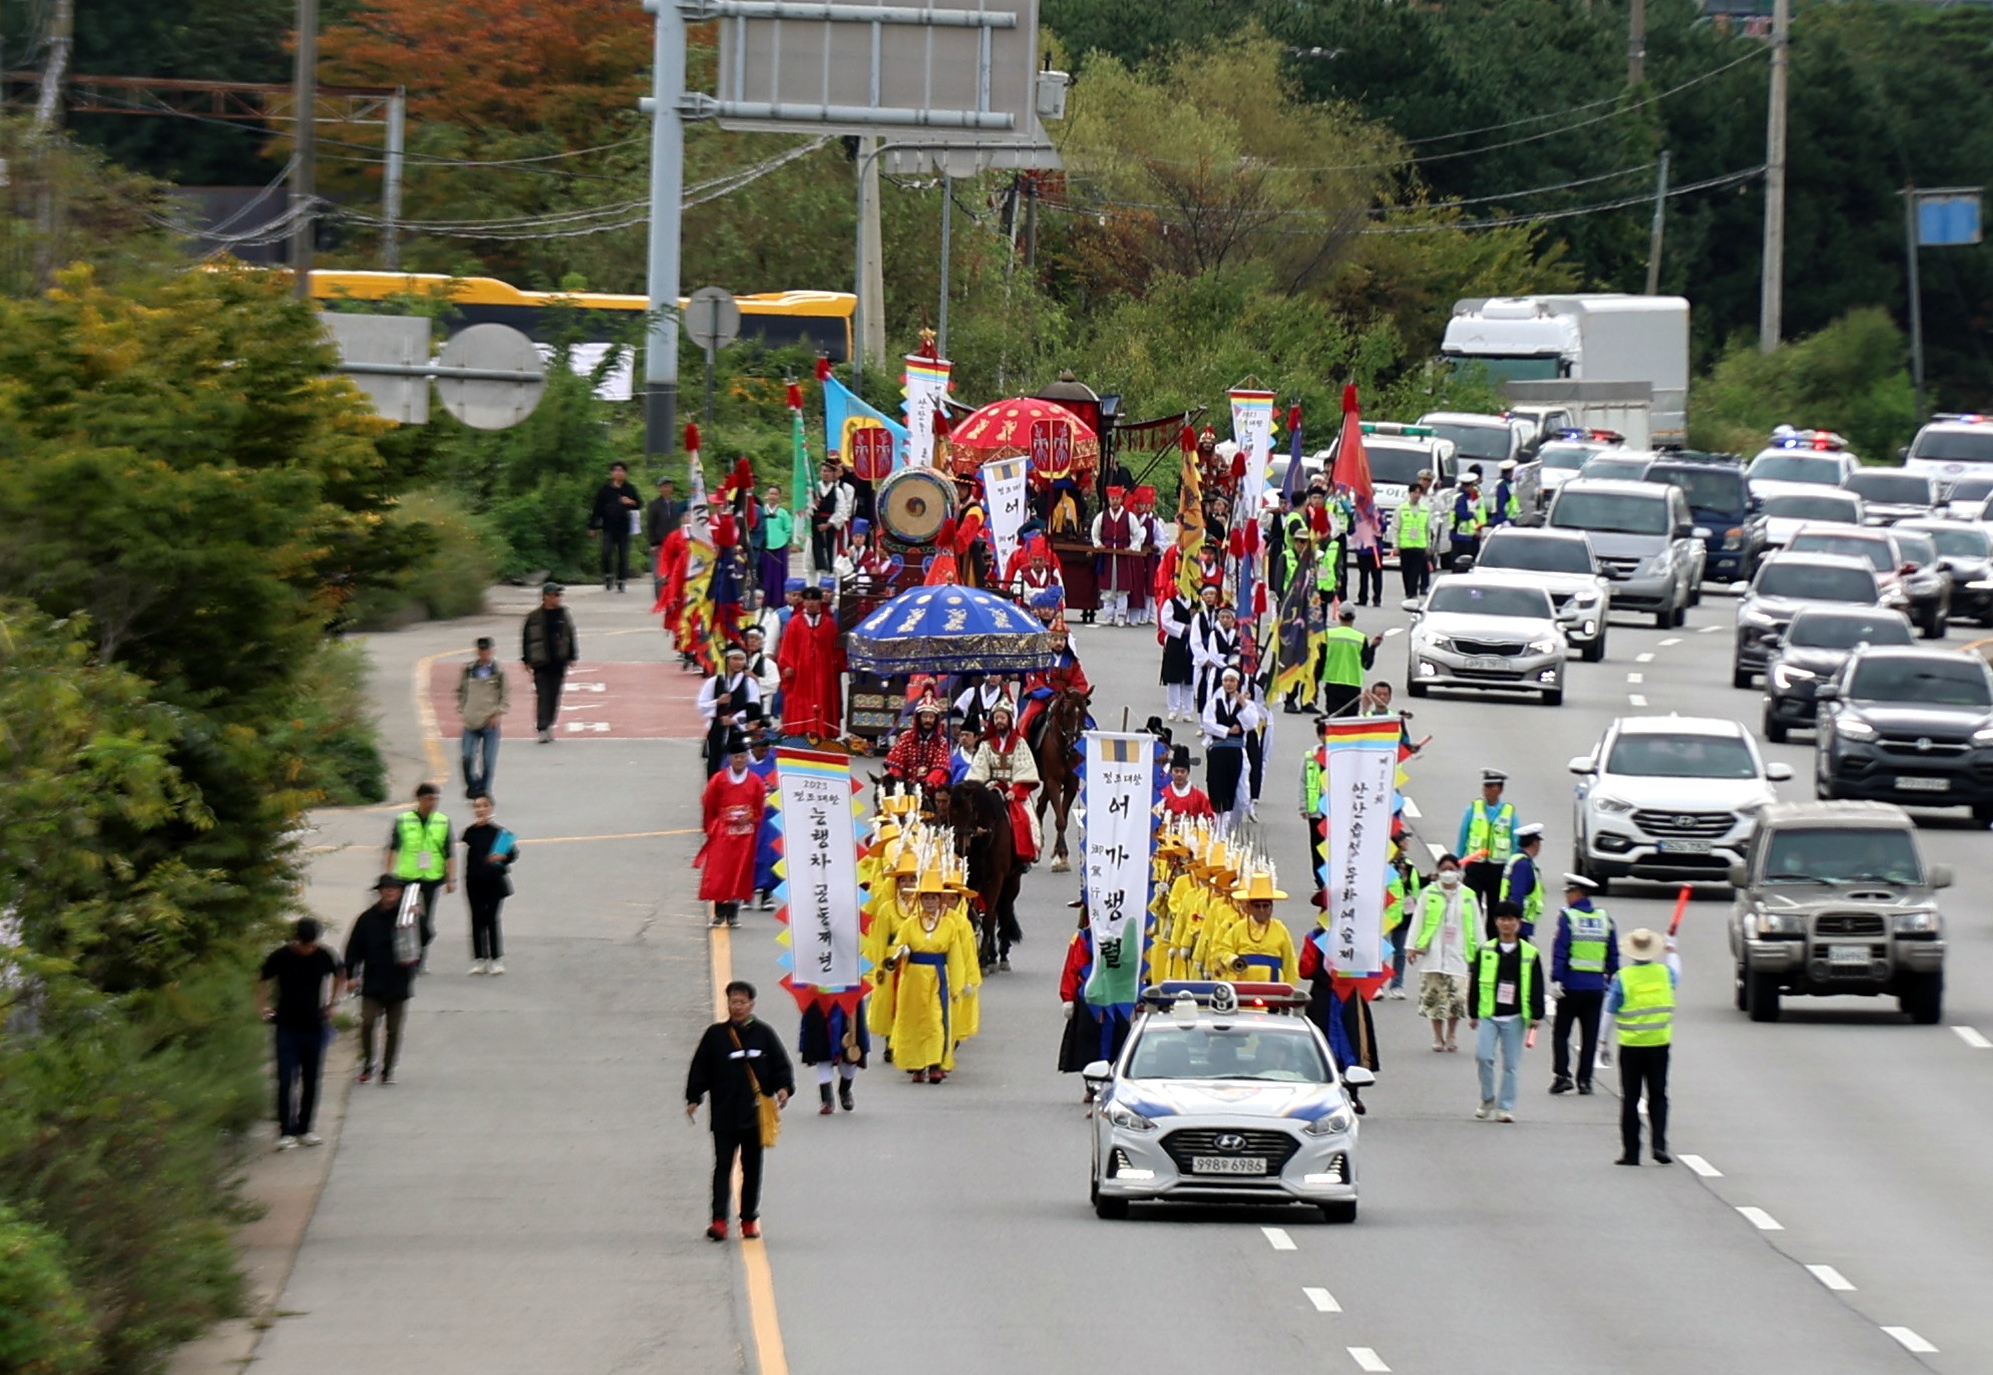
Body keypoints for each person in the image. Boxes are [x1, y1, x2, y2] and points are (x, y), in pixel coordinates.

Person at [685, 980, 794, 1240]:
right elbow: (701, 1068)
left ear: (751, 1005)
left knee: (752, 1167)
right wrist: (694, 1097)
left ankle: (748, 1220)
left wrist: (784, 1088)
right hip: (724, 1113)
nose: (737, 1007)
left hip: (755, 1115)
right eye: (733, 1002)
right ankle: (719, 1220)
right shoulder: (715, 1035)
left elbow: (781, 1065)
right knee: (723, 1166)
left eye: (742, 1002)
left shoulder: (765, 1034)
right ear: (728, 1004)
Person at [257, 917, 341, 1149]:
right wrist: (263, 1007)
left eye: (313, 943)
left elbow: (340, 974)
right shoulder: (282, 956)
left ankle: (306, 1128)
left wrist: (333, 1002)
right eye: (306, 944)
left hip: (314, 1025)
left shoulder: (324, 955)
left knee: (311, 1079)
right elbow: (260, 978)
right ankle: (286, 1131)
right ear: (297, 940)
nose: (309, 948)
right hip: (287, 1027)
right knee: (285, 1080)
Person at [1468, 901, 1544, 1123]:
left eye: (1511, 919)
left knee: (1511, 1064)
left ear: (1518, 923)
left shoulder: (1530, 953)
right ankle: (1487, 1098)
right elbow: (1475, 982)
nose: (1506, 923)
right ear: (1496, 922)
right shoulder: (1486, 950)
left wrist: (1536, 1014)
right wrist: (1473, 1012)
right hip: (1489, 1014)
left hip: (1516, 1015)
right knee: (1483, 1057)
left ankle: (1505, 1106)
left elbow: (1537, 984)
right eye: (1502, 919)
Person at [1607, 927, 1678, 1165]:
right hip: (1659, 1044)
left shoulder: (1623, 977)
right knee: (1658, 1095)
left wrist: (1601, 1042)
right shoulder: (1665, 973)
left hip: (1631, 1046)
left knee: (1631, 1098)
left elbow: (1609, 1012)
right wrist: (1672, 949)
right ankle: (1659, 1144)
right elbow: (1678, 969)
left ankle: (1631, 1152)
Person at [345, 876, 417, 1085]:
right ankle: (369, 1063)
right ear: (380, 892)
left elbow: (425, 938)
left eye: (394, 889)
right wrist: (351, 975)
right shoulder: (366, 919)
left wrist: (416, 918)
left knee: (393, 1029)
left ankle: (388, 1069)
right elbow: (353, 949)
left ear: (401, 893)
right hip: (373, 981)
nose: (390, 892)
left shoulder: (407, 918)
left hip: (399, 981)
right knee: (367, 1023)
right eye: (386, 889)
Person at [1549, 873, 1616, 1095]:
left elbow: (1561, 950)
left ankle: (1562, 1076)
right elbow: (1612, 954)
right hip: (1596, 988)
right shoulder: (1605, 918)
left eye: (1569, 892)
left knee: (1561, 1033)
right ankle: (1585, 1081)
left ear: (1578, 893)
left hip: (1571, 985)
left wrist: (1556, 978)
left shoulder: (1568, 917)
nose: (1567, 897)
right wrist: (1610, 978)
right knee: (1589, 1037)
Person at [1407, 853, 1478, 1054]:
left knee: (1456, 998)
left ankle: (1451, 1033)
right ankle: (1438, 1036)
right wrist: (1412, 947)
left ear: (1458, 871)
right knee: (1435, 998)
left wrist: (1480, 954)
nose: (1448, 873)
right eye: (1444, 869)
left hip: (1458, 953)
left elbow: (1477, 925)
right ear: (1438, 871)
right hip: (1433, 954)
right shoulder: (1428, 894)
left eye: (1451, 869)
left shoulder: (1468, 896)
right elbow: (1418, 921)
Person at [697, 731, 767, 928]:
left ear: (747, 759)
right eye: (736, 757)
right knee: (720, 872)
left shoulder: (755, 782)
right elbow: (708, 804)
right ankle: (719, 913)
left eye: (743, 757)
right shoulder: (719, 780)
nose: (740, 760)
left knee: (740, 873)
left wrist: (751, 819)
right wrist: (711, 826)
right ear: (730, 759)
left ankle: (733, 914)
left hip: (745, 834)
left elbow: (759, 807)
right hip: (723, 832)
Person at [964, 694, 1041, 866]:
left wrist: (1015, 790)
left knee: (1024, 817)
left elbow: (1025, 768)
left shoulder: (1020, 744)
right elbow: (979, 769)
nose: (999, 721)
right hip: (991, 787)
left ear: (1009, 720)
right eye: (996, 717)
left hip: (1014, 789)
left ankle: (1023, 856)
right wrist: (978, 788)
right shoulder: (985, 745)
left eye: (1002, 717)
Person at [383, 782, 454, 965]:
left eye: (435, 799)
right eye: (429, 799)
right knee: (405, 915)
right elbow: (393, 848)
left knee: (425, 918)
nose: (432, 803)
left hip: (431, 876)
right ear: (420, 800)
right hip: (407, 876)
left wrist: (450, 878)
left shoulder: (442, 821)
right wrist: (388, 874)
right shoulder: (404, 820)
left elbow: (449, 852)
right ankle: (403, 953)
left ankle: (420, 957)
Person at [461, 794, 519, 976]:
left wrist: (502, 857)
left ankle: (495, 958)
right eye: (477, 806)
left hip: (494, 882)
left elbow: (513, 853)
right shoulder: (470, 832)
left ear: (491, 808)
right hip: (474, 881)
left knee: (492, 918)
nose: (480, 810)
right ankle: (480, 959)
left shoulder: (500, 833)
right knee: (476, 918)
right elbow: (467, 842)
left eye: (484, 806)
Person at [776, 585, 844, 740]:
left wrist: (836, 665)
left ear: (820, 601)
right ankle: (799, 729)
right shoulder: (794, 623)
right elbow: (786, 647)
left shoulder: (829, 624)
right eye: (807, 599)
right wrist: (787, 666)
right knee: (799, 699)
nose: (811, 603)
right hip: (800, 671)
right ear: (803, 602)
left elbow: (835, 648)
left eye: (814, 599)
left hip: (823, 671)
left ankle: (822, 730)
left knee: (823, 697)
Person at [1209, 868, 1299, 984]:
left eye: (1266, 906)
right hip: (1243, 987)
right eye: (1257, 906)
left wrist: (1289, 991)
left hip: (1273, 987)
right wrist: (1231, 959)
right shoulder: (1238, 928)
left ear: (1272, 908)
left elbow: (1290, 963)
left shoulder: (1280, 929)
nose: (1262, 910)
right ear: (1249, 908)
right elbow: (1221, 951)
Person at [1201, 666, 1261, 821]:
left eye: (1232, 680)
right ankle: (1220, 830)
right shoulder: (1215, 703)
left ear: (1238, 682)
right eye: (1226, 680)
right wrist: (1227, 731)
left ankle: (1232, 826)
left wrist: (1244, 705)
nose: (1228, 684)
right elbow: (1207, 724)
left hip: (1237, 750)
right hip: (1219, 750)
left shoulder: (1246, 704)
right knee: (1219, 791)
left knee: (1241, 796)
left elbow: (1251, 723)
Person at [522, 581, 579, 743]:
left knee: (554, 696)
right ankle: (542, 727)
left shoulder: (563, 614)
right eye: (555, 595)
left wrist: (572, 655)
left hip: (558, 661)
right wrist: (526, 659)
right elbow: (526, 638)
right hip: (541, 662)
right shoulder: (534, 616)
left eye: (559, 595)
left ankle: (549, 725)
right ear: (546, 597)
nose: (558, 598)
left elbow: (570, 634)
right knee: (543, 695)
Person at [697, 644, 764, 779]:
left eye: (742, 659)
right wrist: (717, 702)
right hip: (718, 729)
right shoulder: (715, 681)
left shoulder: (749, 683)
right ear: (727, 660)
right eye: (735, 659)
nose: (739, 663)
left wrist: (735, 719)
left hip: (740, 731)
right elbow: (702, 706)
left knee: (739, 762)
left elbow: (754, 707)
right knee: (715, 763)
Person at [1456, 769, 1518, 915]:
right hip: (1475, 866)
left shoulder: (1509, 812)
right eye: (1485, 786)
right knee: (1471, 908)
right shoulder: (1473, 809)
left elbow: (1515, 840)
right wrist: (1458, 861)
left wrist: (1513, 867)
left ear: (1500, 789)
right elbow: (1463, 836)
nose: (1487, 790)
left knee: (1495, 909)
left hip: (1498, 868)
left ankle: (1491, 937)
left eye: (1492, 786)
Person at [456, 637, 509, 800]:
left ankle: (484, 791)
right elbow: (460, 691)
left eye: (487, 650)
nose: (484, 653)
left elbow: (505, 696)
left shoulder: (498, 672)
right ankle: (472, 784)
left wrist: (498, 713)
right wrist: (463, 709)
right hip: (471, 722)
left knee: (488, 760)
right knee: (466, 756)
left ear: (492, 651)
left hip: (490, 722)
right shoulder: (468, 670)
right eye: (481, 650)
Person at [1090, 485, 1146, 626]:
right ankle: (1109, 616)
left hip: (1122, 554)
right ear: (1109, 500)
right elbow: (1094, 533)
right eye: (1112, 498)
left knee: (1123, 587)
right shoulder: (1102, 516)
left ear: (1121, 499)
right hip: (1108, 554)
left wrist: (1132, 547)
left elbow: (1137, 534)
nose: (1114, 501)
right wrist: (1098, 545)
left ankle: (1121, 615)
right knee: (1107, 587)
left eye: (1117, 498)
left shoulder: (1129, 517)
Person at [884, 692, 954, 796]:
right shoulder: (906, 737)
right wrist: (898, 783)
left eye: (931, 717)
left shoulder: (941, 742)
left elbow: (940, 767)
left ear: (936, 720)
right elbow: (896, 764)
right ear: (918, 718)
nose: (928, 720)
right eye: (925, 716)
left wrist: (928, 783)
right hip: (904, 790)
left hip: (929, 792)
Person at [589, 460, 644, 592]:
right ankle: (608, 575)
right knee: (606, 552)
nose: (618, 473)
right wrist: (593, 526)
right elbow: (597, 509)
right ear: (612, 473)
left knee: (623, 555)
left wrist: (630, 501)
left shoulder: (629, 488)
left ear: (625, 473)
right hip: (608, 526)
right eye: (616, 471)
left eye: (621, 471)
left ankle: (622, 580)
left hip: (624, 527)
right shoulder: (605, 489)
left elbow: (639, 504)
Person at [1319, 607, 1380, 718]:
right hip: (1353, 685)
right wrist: (1373, 647)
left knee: (1333, 719)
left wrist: (1316, 680)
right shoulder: (1360, 638)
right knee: (1349, 722)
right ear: (1354, 618)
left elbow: (1320, 659)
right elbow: (1367, 665)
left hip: (1333, 682)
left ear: (1339, 616)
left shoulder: (1328, 634)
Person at [1189, 588, 1238, 715]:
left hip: (1232, 670)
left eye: (1228, 617)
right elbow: (1200, 644)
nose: (1225, 620)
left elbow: (1238, 652)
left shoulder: (1237, 635)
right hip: (1211, 665)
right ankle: (1205, 723)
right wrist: (1205, 659)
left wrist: (1230, 663)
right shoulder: (1212, 632)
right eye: (1222, 617)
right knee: (1205, 693)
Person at [1158, 583, 1198, 721]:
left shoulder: (1196, 604)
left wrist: (1193, 621)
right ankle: (1173, 709)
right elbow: (1166, 622)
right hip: (1176, 641)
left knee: (1189, 679)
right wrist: (1183, 628)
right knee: (1174, 678)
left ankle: (1187, 711)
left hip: (1192, 643)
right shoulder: (1171, 603)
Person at [809, 458, 855, 574]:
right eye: (823, 471)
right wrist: (812, 505)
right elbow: (806, 509)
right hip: (816, 525)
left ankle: (831, 581)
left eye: (828, 471)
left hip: (831, 526)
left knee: (832, 555)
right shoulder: (813, 490)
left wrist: (829, 524)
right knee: (815, 556)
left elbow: (841, 511)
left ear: (833, 474)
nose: (825, 474)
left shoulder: (838, 491)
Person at [1501, 823, 1546, 940]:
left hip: (1514, 922)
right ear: (1535, 843)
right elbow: (1517, 895)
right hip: (1519, 924)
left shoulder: (1516, 859)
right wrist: (1514, 921)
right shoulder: (1523, 865)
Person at [645, 476, 687, 595]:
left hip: (674, 543)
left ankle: (672, 595)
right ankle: (660, 596)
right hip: (659, 543)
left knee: (674, 571)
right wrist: (653, 543)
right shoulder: (654, 505)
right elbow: (650, 525)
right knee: (659, 573)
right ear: (659, 488)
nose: (667, 489)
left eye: (669, 486)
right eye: (664, 486)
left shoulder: (676, 505)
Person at [1396, 479, 1433, 597]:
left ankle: (1412, 593)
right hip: (1405, 545)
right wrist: (1395, 545)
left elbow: (1427, 529)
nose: (1416, 495)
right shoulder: (1402, 509)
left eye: (1419, 493)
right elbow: (1396, 528)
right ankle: (1408, 591)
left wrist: (1428, 545)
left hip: (1419, 545)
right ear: (1410, 494)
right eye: (1414, 493)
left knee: (1415, 571)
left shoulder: (1425, 510)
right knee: (1406, 571)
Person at [756, 483, 793, 599]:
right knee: (764, 574)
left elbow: (788, 529)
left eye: (776, 494)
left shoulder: (783, 513)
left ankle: (779, 600)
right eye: (771, 494)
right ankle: (763, 600)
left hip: (780, 547)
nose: (773, 496)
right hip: (764, 547)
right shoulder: (760, 511)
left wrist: (783, 539)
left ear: (779, 497)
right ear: (766, 495)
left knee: (779, 575)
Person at [1159, 744, 1214, 820]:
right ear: (1171, 772)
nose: (1179, 774)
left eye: (1182, 771)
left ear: (1188, 773)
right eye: (1176, 771)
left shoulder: (1199, 796)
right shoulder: (1163, 794)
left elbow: (1210, 817)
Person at [1349, 500, 1384, 607]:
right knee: (1363, 574)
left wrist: (1375, 522)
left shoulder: (1378, 511)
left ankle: (1377, 598)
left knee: (1376, 574)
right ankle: (1362, 597)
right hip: (1363, 549)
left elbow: (1383, 527)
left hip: (1375, 548)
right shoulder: (1357, 513)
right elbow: (1350, 530)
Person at [1451, 474, 1486, 564]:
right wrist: (1472, 514)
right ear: (1468, 486)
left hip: (1467, 534)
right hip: (1459, 534)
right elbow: (1461, 514)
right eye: (1472, 486)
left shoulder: (1469, 497)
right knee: (1461, 563)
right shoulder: (1461, 498)